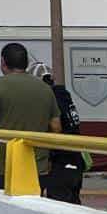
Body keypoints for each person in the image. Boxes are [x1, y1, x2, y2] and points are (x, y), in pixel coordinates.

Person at [0, 42, 61, 190]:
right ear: (26, 63)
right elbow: (56, 127)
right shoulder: (46, 89)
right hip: (37, 165)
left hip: (1, 165)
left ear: (3, 62)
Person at [30, 62, 85, 204]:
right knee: (74, 204)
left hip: (61, 161)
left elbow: (56, 128)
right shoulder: (64, 95)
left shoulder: (49, 97)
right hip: (76, 159)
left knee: (60, 206)